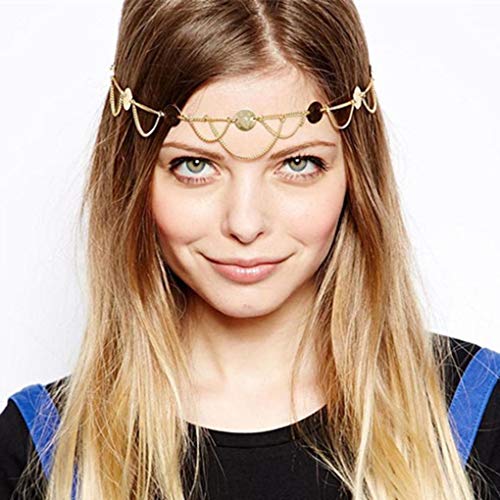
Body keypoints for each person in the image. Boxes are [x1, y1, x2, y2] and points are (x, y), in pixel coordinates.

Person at [1, 0, 499, 499]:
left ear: (356, 171)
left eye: (298, 163)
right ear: (130, 175)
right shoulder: (42, 449)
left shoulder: (479, 416)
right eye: (195, 165)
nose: (245, 224)